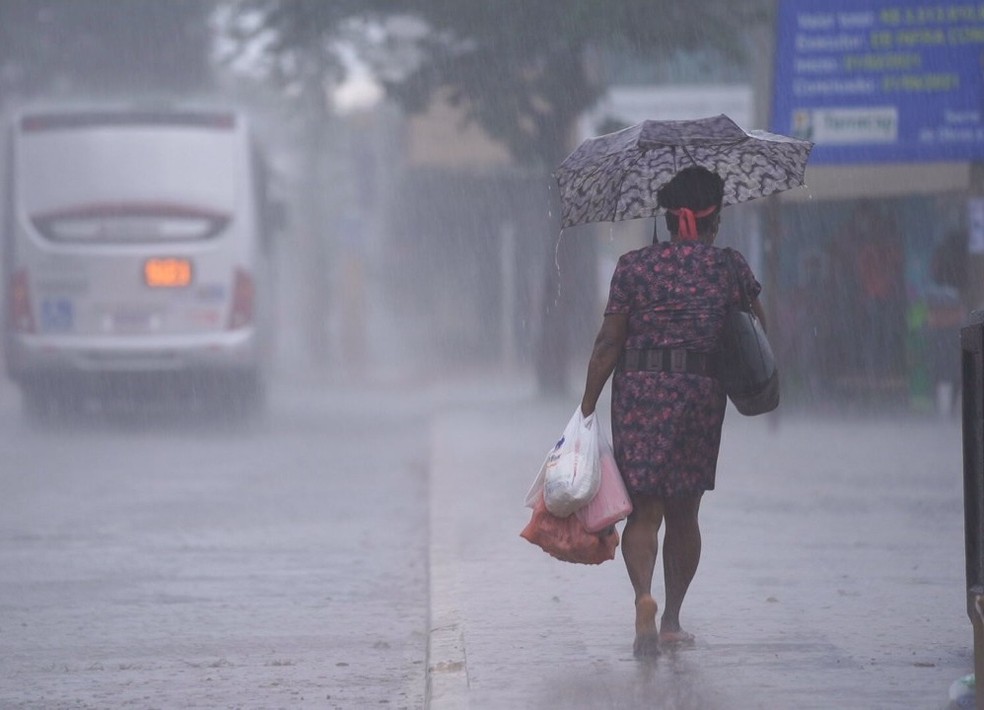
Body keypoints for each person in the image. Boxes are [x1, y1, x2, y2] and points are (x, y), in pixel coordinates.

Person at [578, 166, 766, 658]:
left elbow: (608, 342)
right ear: (714, 220)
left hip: (639, 393)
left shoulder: (633, 267)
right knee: (685, 511)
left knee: (644, 511)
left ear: (665, 218)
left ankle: (643, 596)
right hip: (699, 394)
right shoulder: (728, 267)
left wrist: (587, 405)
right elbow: (756, 332)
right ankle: (672, 622)